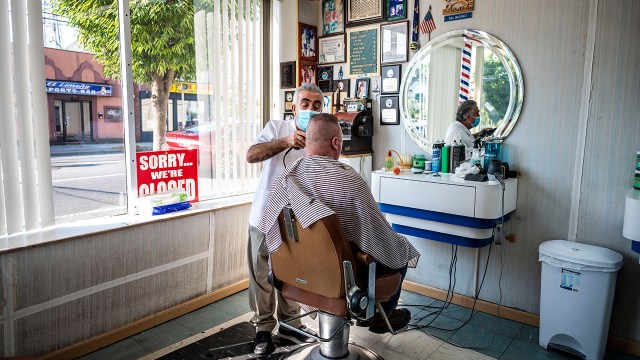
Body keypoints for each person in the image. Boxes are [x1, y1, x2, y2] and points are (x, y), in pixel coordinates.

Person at [258, 113, 420, 334]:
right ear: (336, 142)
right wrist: (396, 242)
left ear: (307, 142)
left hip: (296, 272)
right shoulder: (349, 179)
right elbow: (377, 234)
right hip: (341, 277)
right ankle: (382, 316)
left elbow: (271, 230)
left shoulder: (287, 177)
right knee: (399, 249)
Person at [245, 83, 324, 355]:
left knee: (292, 272)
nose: (310, 110)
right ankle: (263, 328)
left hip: (296, 219)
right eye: (305, 104)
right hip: (265, 213)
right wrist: (286, 142)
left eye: (317, 106)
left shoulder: (320, 137)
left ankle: (290, 323)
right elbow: (251, 155)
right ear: (294, 108)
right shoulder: (276, 128)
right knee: (260, 275)